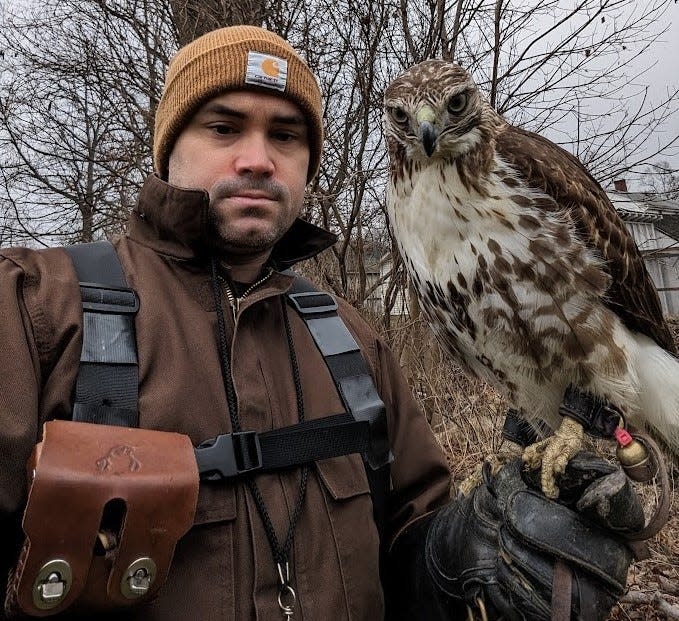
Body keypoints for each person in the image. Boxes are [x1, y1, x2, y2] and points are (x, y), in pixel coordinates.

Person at [0, 25, 643, 621]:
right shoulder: (34, 305)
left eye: (285, 136)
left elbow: (411, 551)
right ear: (167, 149)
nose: (257, 158)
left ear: (309, 163)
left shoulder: (351, 342)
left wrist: (468, 560)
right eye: (223, 129)